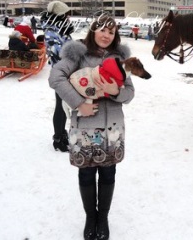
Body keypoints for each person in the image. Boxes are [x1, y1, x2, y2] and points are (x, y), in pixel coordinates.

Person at [49, 13, 134, 240]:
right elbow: (55, 78)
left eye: (111, 31)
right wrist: (79, 104)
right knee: (86, 175)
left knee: (108, 173)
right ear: (93, 30)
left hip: (112, 128)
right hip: (84, 127)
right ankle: (90, 217)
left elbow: (130, 93)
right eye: (102, 30)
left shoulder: (119, 59)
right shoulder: (79, 54)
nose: (106, 35)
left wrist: (116, 91)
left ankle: (103, 217)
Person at [41, 1, 75, 152]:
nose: (69, 19)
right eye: (66, 16)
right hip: (60, 74)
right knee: (61, 106)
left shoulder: (60, 30)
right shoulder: (51, 31)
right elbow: (59, 52)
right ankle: (58, 139)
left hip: (68, 72)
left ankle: (62, 134)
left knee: (64, 105)